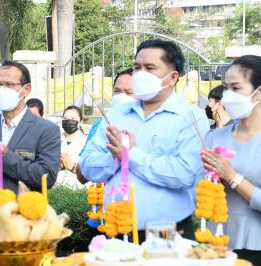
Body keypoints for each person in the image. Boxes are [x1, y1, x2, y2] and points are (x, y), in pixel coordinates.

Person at [79, 40, 209, 240]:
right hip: (115, 228)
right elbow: (87, 167)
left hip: (167, 233)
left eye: (150, 68)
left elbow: (184, 174)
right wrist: (114, 159)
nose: (140, 74)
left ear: (172, 77)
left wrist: (132, 154)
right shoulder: (115, 115)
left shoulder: (191, 117)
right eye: (136, 67)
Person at [200, 55, 261, 266]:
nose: (227, 96)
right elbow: (199, 194)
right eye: (225, 88)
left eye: (236, 88)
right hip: (214, 251)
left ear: (260, 91)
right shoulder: (214, 137)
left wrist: (232, 177)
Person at [0, 61, 61, 198]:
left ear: (26, 89)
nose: (1, 90)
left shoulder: (47, 130)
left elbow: (47, 178)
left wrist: (5, 157)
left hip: (26, 214)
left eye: (9, 85)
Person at [76, 69, 135, 184]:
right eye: (117, 91)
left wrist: (132, 155)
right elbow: (82, 171)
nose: (122, 97)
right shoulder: (105, 123)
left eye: (129, 92)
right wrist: (114, 157)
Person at [57, 105, 87, 188]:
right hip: (55, 188)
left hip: (79, 190)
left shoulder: (87, 142)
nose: (69, 121)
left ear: (80, 122)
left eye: (73, 119)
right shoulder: (54, 139)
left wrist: (72, 166)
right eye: (65, 118)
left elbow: (90, 171)